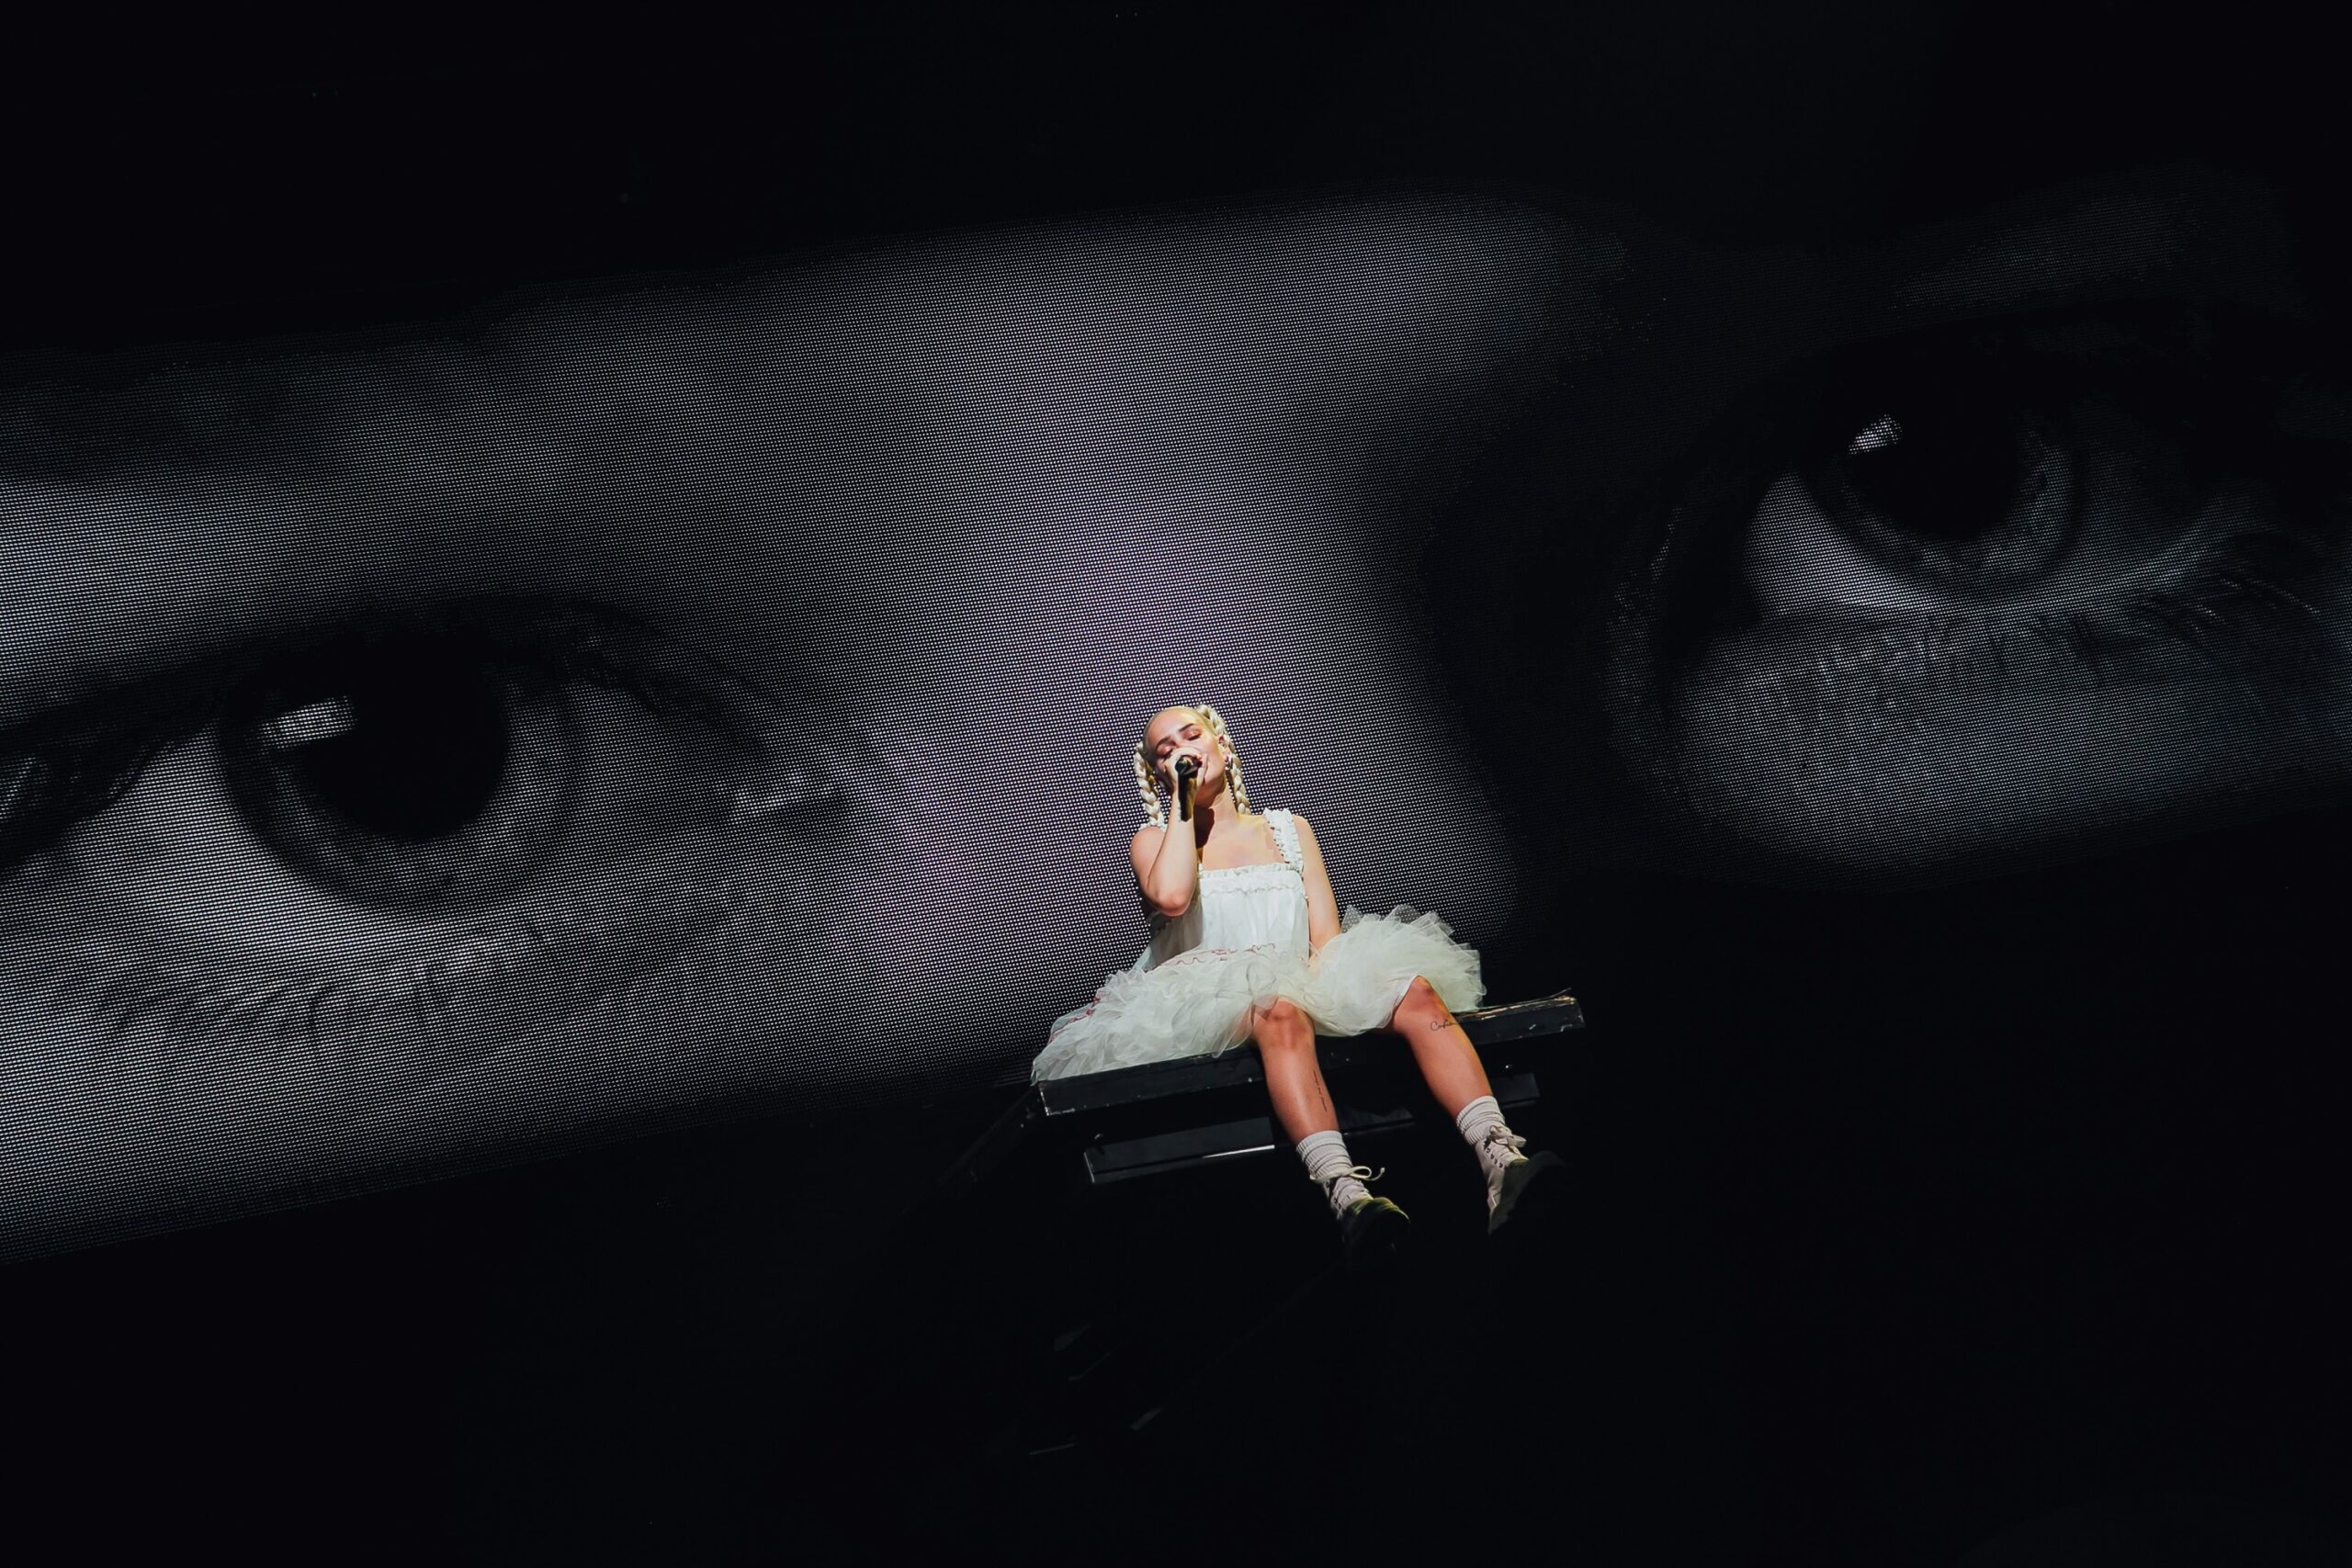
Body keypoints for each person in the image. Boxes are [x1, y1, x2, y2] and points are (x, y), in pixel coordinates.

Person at [1032, 701, 1561, 1263]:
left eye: (1191, 736)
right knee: (1277, 1006)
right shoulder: (1156, 839)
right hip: (1205, 997)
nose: (1183, 751)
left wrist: (1351, 992)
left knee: (1413, 989)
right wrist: (1182, 803)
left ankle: (1500, 1160)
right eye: (1167, 750)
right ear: (1159, 773)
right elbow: (1173, 896)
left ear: (1220, 743)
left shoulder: (1287, 830)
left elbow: (1325, 938)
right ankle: (1347, 1195)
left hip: (1297, 977)